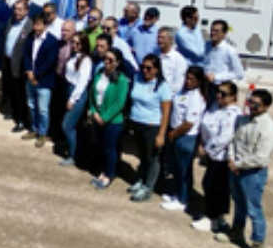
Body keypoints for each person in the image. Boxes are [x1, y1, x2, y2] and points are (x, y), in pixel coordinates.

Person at [220, 89, 273, 248]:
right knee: (238, 203)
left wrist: (238, 164)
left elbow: (261, 157)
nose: (251, 106)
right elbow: (233, 141)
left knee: (254, 210)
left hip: (253, 173)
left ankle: (257, 245)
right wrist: (232, 159)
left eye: (256, 104)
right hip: (237, 168)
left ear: (266, 106)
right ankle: (237, 231)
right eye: (250, 102)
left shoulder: (269, 128)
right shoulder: (243, 120)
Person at [162, 65, 211, 213]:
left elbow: (189, 123)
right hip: (176, 133)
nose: (188, 81)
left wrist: (173, 134)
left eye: (191, 79)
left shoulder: (196, 97)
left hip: (185, 137)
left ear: (199, 81)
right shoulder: (183, 91)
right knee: (176, 168)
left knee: (184, 170)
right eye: (187, 77)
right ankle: (177, 193)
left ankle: (183, 200)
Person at [194, 81, 241, 233]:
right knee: (212, 185)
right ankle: (216, 216)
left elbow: (225, 137)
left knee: (215, 186)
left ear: (233, 96)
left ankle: (212, 217)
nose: (219, 96)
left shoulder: (232, 114)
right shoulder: (215, 107)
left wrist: (207, 150)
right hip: (210, 153)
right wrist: (201, 142)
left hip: (221, 157)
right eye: (218, 92)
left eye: (224, 94)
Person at [127, 54, 174, 202]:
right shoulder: (137, 79)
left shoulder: (162, 86)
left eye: (149, 68)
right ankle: (141, 179)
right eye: (143, 67)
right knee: (142, 155)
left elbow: (166, 112)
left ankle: (148, 187)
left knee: (152, 158)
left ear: (156, 69)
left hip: (151, 126)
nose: (145, 70)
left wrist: (161, 134)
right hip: (137, 123)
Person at [87, 48, 131, 190]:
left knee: (110, 149)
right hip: (97, 117)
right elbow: (92, 94)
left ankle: (109, 174)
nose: (106, 61)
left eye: (110, 59)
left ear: (117, 62)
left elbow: (119, 102)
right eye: (105, 58)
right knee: (100, 147)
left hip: (113, 121)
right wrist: (94, 112)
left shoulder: (122, 79)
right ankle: (102, 171)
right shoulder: (100, 74)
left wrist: (104, 117)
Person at [22, 16, 60, 148]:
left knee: (43, 109)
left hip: (44, 80)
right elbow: (26, 55)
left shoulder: (52, 41)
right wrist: (28, 71)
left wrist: (35, 75)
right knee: (31, 105)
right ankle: (34, 128)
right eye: (34, 25)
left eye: (38, 25)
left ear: (45, 25)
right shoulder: (30, 37)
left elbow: (50, 62)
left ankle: (43, 133)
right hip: (30, 77)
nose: (36, 28)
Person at [59, 34, 94, 167]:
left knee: (67, 125)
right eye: (73, 42)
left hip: (77, 93)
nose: (74, 45)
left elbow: (82, 82)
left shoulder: (86, 60)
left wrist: (72, 99)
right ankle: (75, 149)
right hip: (69, 88)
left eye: (78, 43)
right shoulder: (73, 56)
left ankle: (73, 155)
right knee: (74, 125)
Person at [3, 0, 33, 134]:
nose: (17, 12)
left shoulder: (30, 26)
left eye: (20, 10)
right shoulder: (11, 21)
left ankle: (21, 120)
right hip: (8, 61)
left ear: (26, 11)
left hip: (20, 65)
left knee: (21, 94)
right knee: (12, 91)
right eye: (15, 9)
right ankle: (14, 113)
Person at [204, 19, 245, 84]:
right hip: (205, 85)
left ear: (224, 34)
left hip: (220, 85)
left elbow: (239, 73)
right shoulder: (206, 46)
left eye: (216, 31)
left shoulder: (229, 50)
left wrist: (216, 77)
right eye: (212, 30)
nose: (213, 33)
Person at [158, 27, 188, 95]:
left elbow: (178, 84)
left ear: (170, 40)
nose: (159, 40)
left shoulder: (178, 60)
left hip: (169, 97)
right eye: (158, 37)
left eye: (162, 38)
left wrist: (168, 96)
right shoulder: (156, 56)